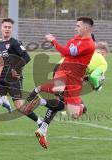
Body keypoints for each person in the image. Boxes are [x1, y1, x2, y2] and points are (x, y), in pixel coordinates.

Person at [23, 16, 96, 149]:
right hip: (66, 74)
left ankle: (42, 127)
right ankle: (39, 91)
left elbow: (67, 53)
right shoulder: (78, 41)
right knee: (64, 97)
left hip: (71, 77)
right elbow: (66, 53)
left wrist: (55, 42)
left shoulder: (87, 43)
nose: (75, 28)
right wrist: (56, 43)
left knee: (69, 109)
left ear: (86, 28)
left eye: (78, 26)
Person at [0, 18, 42, 140]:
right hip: (0, 80)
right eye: (5, 27)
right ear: (1, 28)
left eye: (9, 27)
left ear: (11, 29)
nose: (7, 29)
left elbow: (26, 57)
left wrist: (15, 69)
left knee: (20, 107)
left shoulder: (14, 43)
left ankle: (40, 122)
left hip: (13, 80)